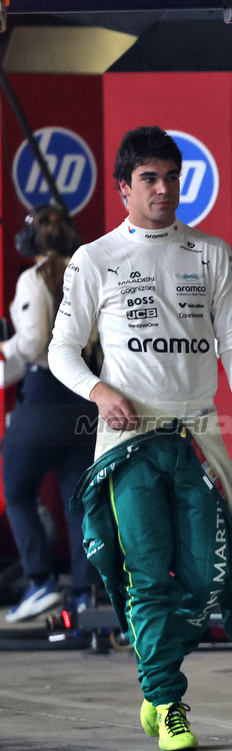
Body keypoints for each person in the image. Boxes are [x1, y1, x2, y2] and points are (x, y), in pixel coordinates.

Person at [48, 126, 232, 751]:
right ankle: (166, 698)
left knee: (206, 578)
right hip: (128, 444)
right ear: (123, 188)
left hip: (199, 438)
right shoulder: (94, 258)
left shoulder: (211, 252)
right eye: (149, 178)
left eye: (171, 176)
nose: (164, 188)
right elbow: (61, 350)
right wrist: (99, 391)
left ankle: (156, 679)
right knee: (147, 574)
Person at [2, 205, 97, 623]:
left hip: (43, 396)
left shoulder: (31, 278)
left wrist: (8, 351)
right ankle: (84, 594)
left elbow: (33, 340)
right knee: (78, 502)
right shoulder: (87, 274)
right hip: (84, 397)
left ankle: (40, 581)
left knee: (18, 491)